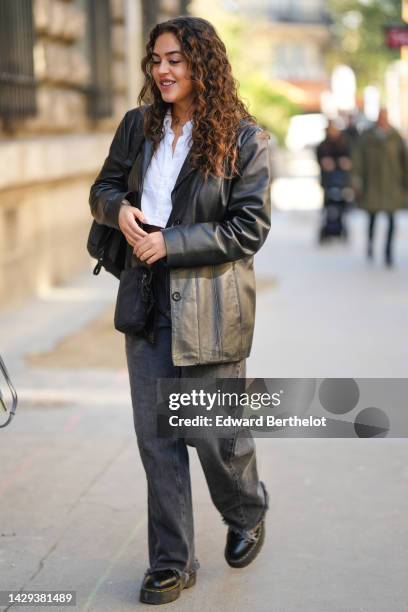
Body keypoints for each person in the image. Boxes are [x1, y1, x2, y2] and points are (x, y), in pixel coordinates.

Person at [89, 16, 271, 606]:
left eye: (175, 60)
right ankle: (173, 562)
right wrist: (117, 212)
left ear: (202, 65)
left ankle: (246, 509)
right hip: (145, 299)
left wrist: (172, 241)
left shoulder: (245, 139)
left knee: (214, 435)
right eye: (156, 60)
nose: (162, 71)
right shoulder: (137, 127)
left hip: (210, 307)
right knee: (157, 438)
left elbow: (249, 227)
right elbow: (103, 188)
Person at [352, 108, 408, 266]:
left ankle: (388, 252)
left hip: (392, 185)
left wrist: (405, 184)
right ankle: (370, 247)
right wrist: (356, 180)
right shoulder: (367, 136)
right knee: (372, 217)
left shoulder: (395, 136)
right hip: (373, 184)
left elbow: (404, 162)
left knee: (391, 220)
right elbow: (357, 159)